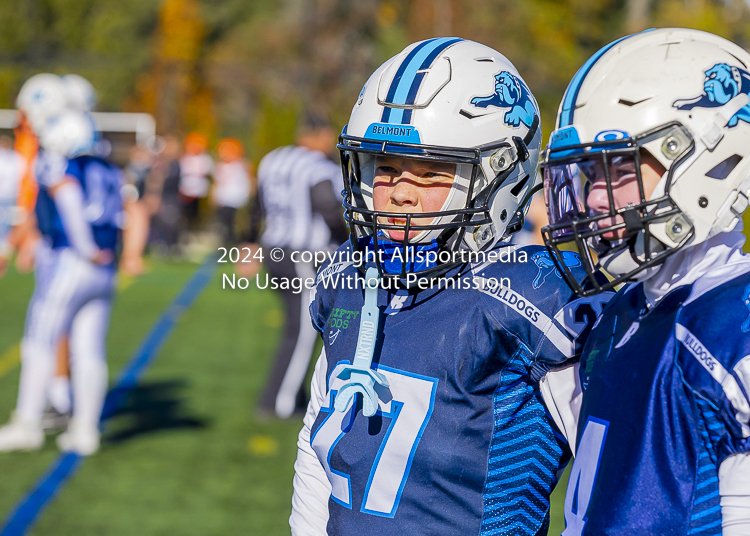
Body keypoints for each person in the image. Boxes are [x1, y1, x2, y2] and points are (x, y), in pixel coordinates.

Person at [290, 38, 611, 535]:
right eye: (386, 168)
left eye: (432, 171)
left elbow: (613, 478)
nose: (399, 191)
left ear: (498, 178)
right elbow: (318, 444)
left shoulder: (537, 297)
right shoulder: (351, 278)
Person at [540, 28, 750, 535]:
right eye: (591, 175)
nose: (593, 200)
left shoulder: (731, 326)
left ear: (711, 162)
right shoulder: (624, 312)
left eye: (620, 170)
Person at [0, 109, 121, 455]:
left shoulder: (65, 165)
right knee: (90, 350)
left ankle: (27, 423)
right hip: (104, 269)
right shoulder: (108, 169)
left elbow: (67, 196)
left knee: (39, 340)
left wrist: (85, 247)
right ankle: (85, 431)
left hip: (74, 262)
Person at [241, 114, 348, 419]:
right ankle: (279, 403)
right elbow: (328, 206)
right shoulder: (317, 167)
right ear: (319, 134)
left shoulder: (273, 159)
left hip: (274, 249)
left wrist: (248, 243)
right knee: (302, 329)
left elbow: (256, 205)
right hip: (303, 254)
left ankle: (291, 395)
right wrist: (347, 244)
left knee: (297, 326)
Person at [211, 137, 252, 245]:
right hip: (224, 198)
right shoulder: (219, 166)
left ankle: (237, 242)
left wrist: (248, 195)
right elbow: (217, 183)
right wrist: (214, 196)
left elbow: (248, 181)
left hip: (237, 199)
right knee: (224, 222)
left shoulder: (242, 165)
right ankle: (227, 241)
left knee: (237, 223)